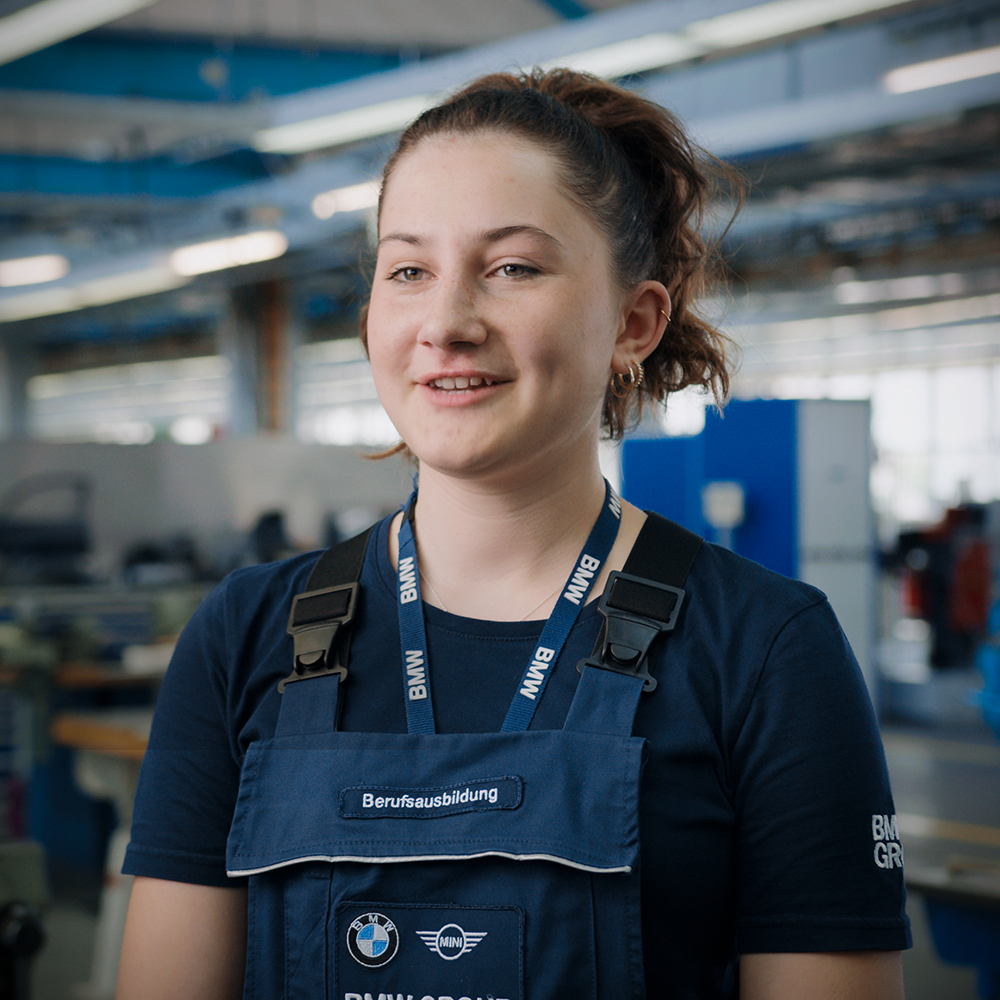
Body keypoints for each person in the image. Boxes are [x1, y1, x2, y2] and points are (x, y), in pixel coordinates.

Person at [116, 69, 910, 1000]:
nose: (446, 324)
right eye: (408, 270)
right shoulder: (244, 634)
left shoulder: (765, 649)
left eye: (512, 268)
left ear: (633, 320)